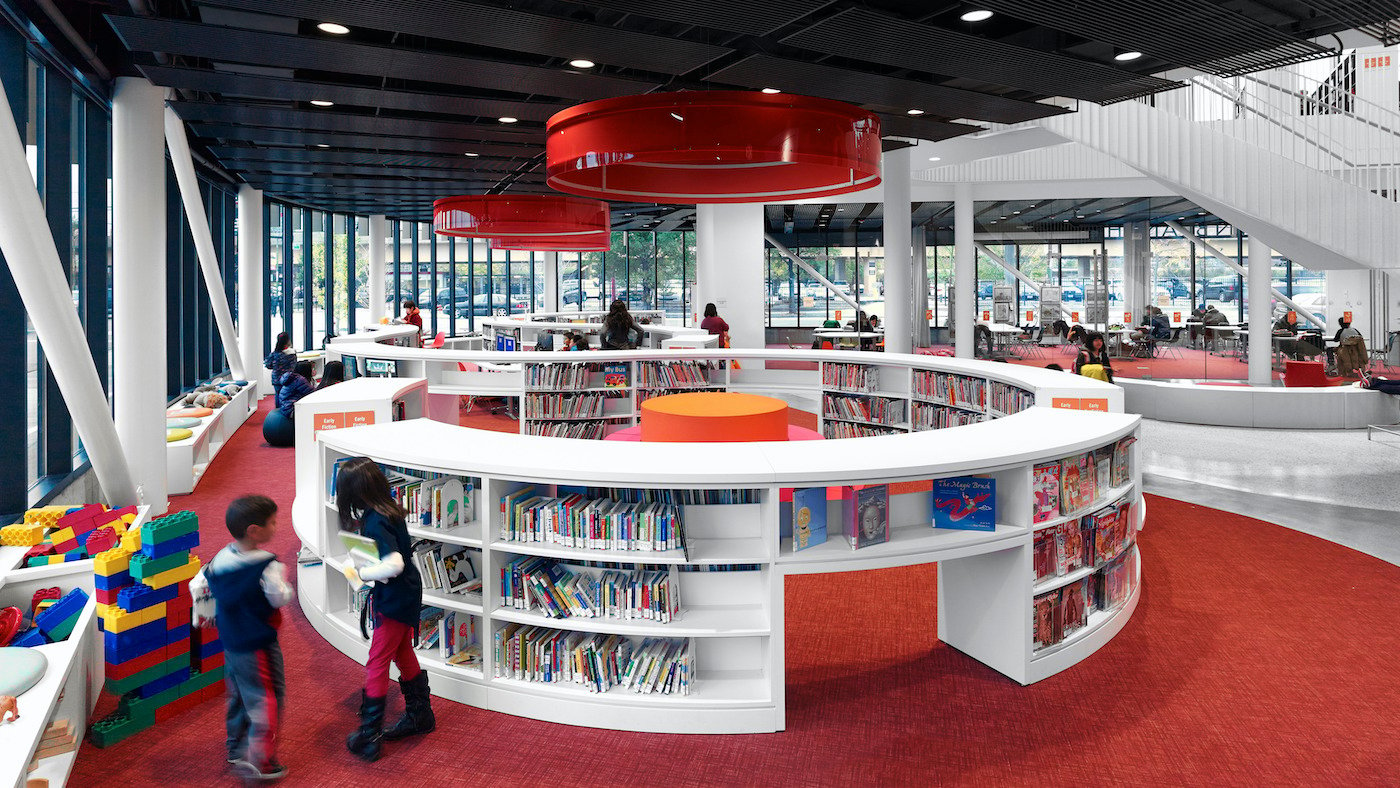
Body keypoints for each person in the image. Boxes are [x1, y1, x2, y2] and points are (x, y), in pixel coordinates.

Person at [189, 495, 293, 781]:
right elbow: (278, 598)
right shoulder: (268, 566)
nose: (277, 526)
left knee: (237, 692)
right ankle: (261, 760)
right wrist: (285, 587)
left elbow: (198, 584)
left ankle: (236, 748)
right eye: (272, 522)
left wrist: (207, 618)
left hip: (231, 641)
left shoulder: (220, 559)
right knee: (267, 696)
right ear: (254, 531)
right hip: (257, 643)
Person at [336, 458, 432, 762]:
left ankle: (370, 735)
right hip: (404, 592)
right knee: (402, 650)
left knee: (377, 661)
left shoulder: (375, 519)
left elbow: (393, 563)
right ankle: (421, 716)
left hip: (394, 595)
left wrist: (360, 573)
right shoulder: (387, 507)